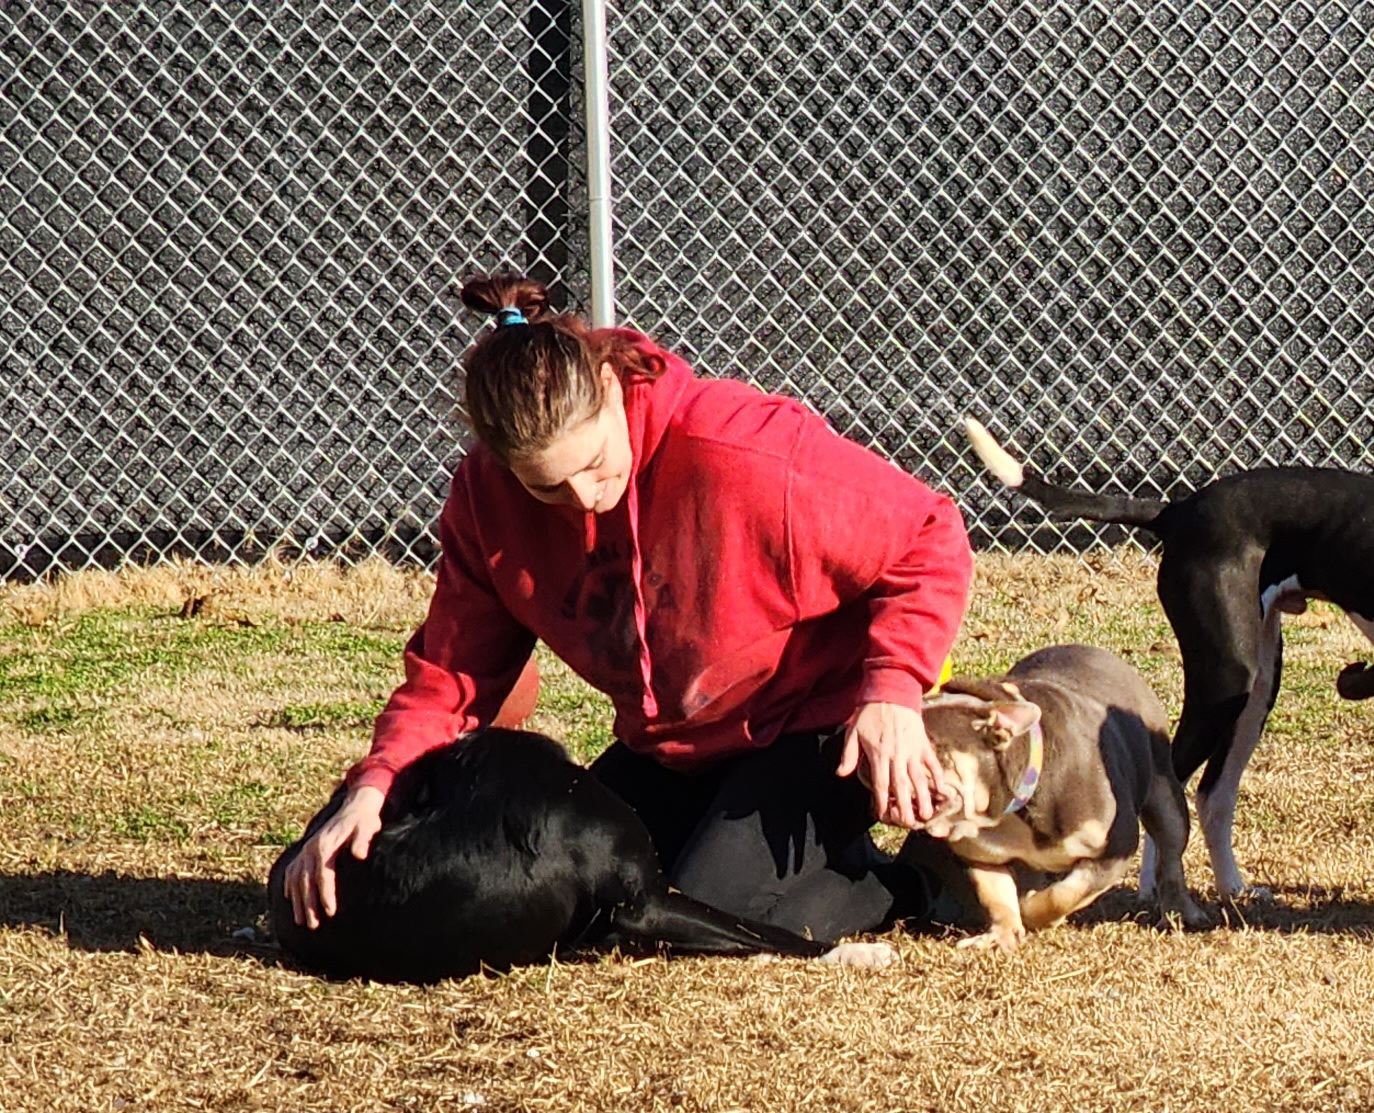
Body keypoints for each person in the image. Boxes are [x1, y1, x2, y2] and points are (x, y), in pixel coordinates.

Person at [281, 276, 971, 943]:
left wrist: (893, 690)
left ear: (612, 389)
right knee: (597, 891)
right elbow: (452, 674)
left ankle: (910, 886)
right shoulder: (487, 507)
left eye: (597, 463)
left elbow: (929, 533)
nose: (584, 498)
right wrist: (378, 786)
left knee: (710, 909)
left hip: (818, 727)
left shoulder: (735, 452)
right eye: (548, 487)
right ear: (502, 465)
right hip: (677, 747)